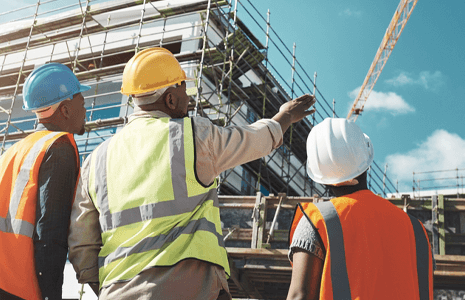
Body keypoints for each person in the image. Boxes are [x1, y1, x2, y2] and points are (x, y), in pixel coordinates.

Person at [69, 47, 315, 300]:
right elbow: (255, 140)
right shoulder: (190, 135)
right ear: (170, 99)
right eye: (184, 90)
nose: (188, 99)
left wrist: (113, 290)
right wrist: (285, 116)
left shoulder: (95, 160)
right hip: (191, 289)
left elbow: (81, 246)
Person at [0, 63, 101, 300]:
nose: (86, 109)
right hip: (14, 288)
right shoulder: (58, 146)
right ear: (65, 110)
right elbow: (50, 233)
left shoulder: (8, 155)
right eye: (82, 103)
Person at [286, 118, 434, 300]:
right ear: (367, 161)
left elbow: (299, 296)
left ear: (320, 176)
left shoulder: (318, 221)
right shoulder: (417, 231)